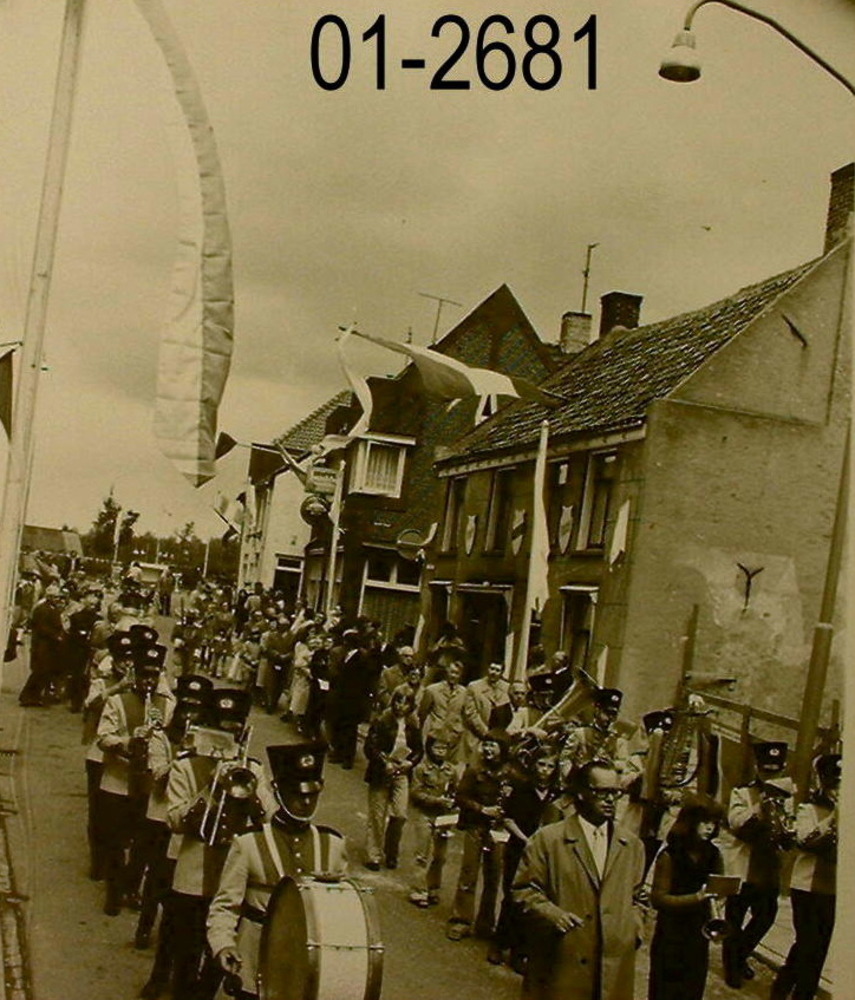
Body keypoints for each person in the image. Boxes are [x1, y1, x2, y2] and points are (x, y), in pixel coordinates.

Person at [207, 740, 348, 1000]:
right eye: (297, 794)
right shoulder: (249, 843)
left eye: (312, 794)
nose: (306, 802)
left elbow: (339, 912)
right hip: (254, 964)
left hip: (307, 969)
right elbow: (225, 906)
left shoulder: (333, 845)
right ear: (277, 790)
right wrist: (223, 944)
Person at [512, 759, 646, 1000]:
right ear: (582, 793)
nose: (610, 800)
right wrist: (553, 914)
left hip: (612, 965)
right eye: (602, 792)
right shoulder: (548, 840)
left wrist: (632, 930)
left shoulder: (632, 846)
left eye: (615, 793)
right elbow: (523, 891)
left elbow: (638, 899)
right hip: (563, 961)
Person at [96, 638, 174, 915]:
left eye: (153, 675)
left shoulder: (168, 705)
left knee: (143, 844)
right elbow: (103, 737)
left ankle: (131, 887)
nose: (148, 682)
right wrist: (128, 742)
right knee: (116, 841)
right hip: (118, 781)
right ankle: (113, 892)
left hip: (150, 786)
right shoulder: (117, 701)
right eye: (143, 675)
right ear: (135, 674)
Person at [721, 740, 795, 988]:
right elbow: (735, 822)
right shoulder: (742, 792)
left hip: (768, 868)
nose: (770, 777)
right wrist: (761, 806)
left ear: (782, 769)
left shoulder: (787, 796)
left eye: (775, 772)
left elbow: (788, 831)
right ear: (757, 768)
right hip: (742, 866)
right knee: (734, 918)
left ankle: (739, 954)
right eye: (765, 771)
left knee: (765, 917)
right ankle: (731, 967)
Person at [770, 752, 839, 1000]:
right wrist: (835, 818)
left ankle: (802, 994)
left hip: (834, 888)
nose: (838, 791)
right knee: (807, 943)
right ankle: (782, 988)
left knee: (820, 947)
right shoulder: (808, 809)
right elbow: (805, 841)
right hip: (806, 887)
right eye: (834, 786)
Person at [647, 793, 725, 1000]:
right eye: (704, 823)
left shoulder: (713, 854)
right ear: (691, 822)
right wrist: (697, 897)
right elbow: (658, 898)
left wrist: (721, 897)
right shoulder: (670, 855)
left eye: (713, 823)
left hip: (698, 933)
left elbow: (719, 883)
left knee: (693, 990)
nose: (709, 828)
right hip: (671, 934)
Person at [490, 747, 560, 970]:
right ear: (533, 765)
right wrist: (526, 840)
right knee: (512, 897)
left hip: (544, 854)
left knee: (532, 901)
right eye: (541, 764)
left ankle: (520, 952)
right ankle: (499, 943)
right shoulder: (522, 789)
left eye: (550, 766)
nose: (545, 770)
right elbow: (508, 819)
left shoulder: (556, 795)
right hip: (519, 849)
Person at [446, 728, 510, 942]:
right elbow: (461, 797)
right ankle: (461, 920)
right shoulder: (474, 770)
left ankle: (485, 923)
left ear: (503, 749)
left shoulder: (510, 774)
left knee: (493, 878)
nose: (488, 749)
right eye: (486, 744)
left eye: (493, 745)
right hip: (475, 826)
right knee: (469, 874)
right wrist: (482, 809)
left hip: (498, 831)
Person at [363, 686, 423, 870]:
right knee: (377, 815)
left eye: (405, 703)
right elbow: (370, 747)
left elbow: (419, 750)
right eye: (398, 701)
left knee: (400, 814)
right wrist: (384, 762)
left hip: (401, 772)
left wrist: (410, 763)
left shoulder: (413, 724)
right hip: (381, 772)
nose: (400, 706)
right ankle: (373, 854)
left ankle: (391, 851)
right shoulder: (382, 720)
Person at [408, 731, 459, 908]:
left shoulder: (451, 771)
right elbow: (416, 793)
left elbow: (455, 790)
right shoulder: (421, 769)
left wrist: (452, 802)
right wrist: (436, 800)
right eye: (437, 748)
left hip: (443, 817)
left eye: (444, 748)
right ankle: (418, 890)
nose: (440, 751)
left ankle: (433, 888)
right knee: (421, 854)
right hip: (424, 814)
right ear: (430, 748)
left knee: (440, 856)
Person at [19, 583, 66, 706]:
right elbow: (41, 627)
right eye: (56, 597)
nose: (58, 599)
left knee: (43, 672)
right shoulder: (43, 609)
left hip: (48, 645)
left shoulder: (50, 608)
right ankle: (27, 696)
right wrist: (56, 636)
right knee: (40, 671)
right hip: (43, 645)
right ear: (50, 597)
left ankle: (34, 696)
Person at [461, 661, 510, 764]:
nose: (493, 672)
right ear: (487, 669)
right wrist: (486, 733)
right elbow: (470, 713)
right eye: (492, 669)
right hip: (477, 734)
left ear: (502, 673)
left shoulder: (507, 687)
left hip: (499, 738)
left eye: (497, 670)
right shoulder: (474, 687)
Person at [419, 659, 467, 762]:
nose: (453, 676)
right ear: (446, 672)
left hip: (453, 736)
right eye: (452, 672)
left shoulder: (464, 693)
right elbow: (422, 712)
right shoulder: (432, 690)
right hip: (434, 734)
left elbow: (464, 714)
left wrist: (458, 728)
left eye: (457, 673)